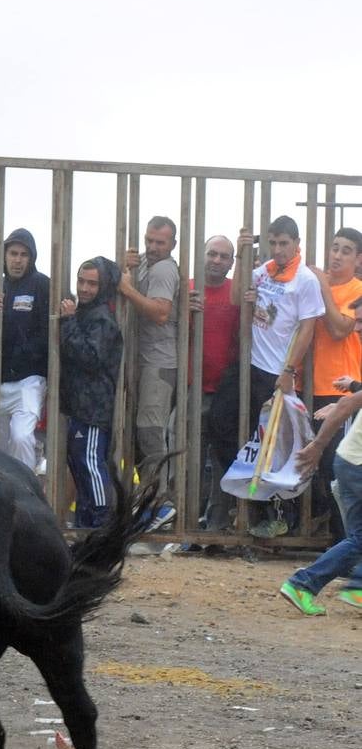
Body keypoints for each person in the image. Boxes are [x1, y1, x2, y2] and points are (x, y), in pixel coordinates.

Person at [211, 216, 325, 538]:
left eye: (283, 243)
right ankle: (251, 500)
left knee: (273, 446)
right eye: (272, 243)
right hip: (248, 363)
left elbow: (307, 328)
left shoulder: (304, 279)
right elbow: (236, 298)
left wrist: (289, 370)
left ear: (297, 243)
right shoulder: (265, 271)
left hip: (275, 372)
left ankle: (281, 514)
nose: (278, 249)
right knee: (220, 424)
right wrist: (242, 254)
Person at [280, 305, 362, 616]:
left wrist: (353, 387)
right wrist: (315, 447)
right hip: (356, 464)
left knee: (358, 537)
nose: (356, 330)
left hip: (351, 461)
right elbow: (345, 408)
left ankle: (339, 586)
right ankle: (313, 584)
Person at [120, 216, 180, 528]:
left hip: (159, 362)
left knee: (150, 431)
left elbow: (160, 312)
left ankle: (162, 504)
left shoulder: (165, 269)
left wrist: (127, 289)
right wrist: (126, 265)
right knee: (138, 434)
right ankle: (149, 504)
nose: (154, 247)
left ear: (173, 245)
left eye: (161, 243)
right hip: (142, 361)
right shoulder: (144, 262)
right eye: (150, 240)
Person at [59, 258, 124, 528]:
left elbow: (89, 356)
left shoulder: (102, 319)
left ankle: (101, 519)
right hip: (81, 406)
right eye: (81, 281)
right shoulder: (88, 314)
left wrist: (68, 322)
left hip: (95, 408)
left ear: (104, 286)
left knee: (90, 463)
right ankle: (88, 521)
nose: (84, 288)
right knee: (79, 463)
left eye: (92, 283)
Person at [309, 228, 362, 538]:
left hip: (342, 390)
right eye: (334, 248)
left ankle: (345, 542)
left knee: (335, 466)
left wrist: (322, 286)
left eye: (346, 250)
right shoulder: (318, 284)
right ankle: (331, 537)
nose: (337, 255)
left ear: (358, 259)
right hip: (311, 387)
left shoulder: (358, 289)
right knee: (317, 467)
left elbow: (339, 328)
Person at [189, 236, 239, 531]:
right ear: (202, 255)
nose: (217, 260)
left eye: (224, 256)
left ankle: (215, 532)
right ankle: (186, 526)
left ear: (232, 263)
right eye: (212, 254)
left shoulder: (238, 292)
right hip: (191, 389)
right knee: (186, 463)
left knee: (223, 463)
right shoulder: (189, 288)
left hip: (227, 393)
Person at [0, 229, 50, 470]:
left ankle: (26, 489)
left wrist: (28, 353)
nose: (17, 259)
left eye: (23, 254)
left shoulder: (42, 285)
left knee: (22, 437)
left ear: (31, 257)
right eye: (13, 253)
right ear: (4, 255)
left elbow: (48, 331)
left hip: (29, 378)